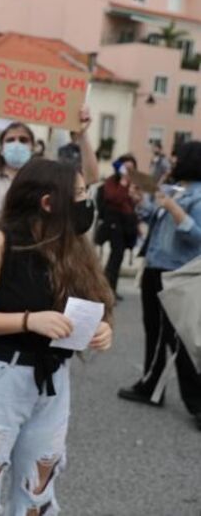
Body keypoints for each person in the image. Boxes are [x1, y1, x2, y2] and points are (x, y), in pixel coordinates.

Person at [0, 158, 114, 514]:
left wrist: (100, 329)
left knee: (38, 489)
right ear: (48, 202)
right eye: (79, 194)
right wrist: (28, 321)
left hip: (52, 383)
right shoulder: (0, 243)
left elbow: (90, 306)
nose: (86, 202)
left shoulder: (72, 246)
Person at [118, 141, 201, 430]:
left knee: (178, 339)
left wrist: (174, 209)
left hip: (176, 271)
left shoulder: (198, 195)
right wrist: (142, 200)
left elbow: (197, 235)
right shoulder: (176, 189)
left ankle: (196, 402)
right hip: (156, 267)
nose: (173, 161)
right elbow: (152, 217)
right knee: (155, 330)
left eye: (178, 157)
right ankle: (151, 385)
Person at [0, 97, 99, 236]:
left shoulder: (45, 178)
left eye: (23, 140)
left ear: (33, 147)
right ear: (1, 148)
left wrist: (82, 135)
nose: (17, 144)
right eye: (10, 140)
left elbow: (90, 177)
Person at [100, 155, 141, 297]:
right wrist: (123, 184)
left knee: (119, 256)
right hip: (114, 222)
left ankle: (113, 288)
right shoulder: (113, 181)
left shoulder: (134, 183)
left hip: (127, 224)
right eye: (126, 168)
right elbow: (113, 198)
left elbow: (136, 204)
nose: (129, 171)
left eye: (132, 169)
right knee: (115, 256)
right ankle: (107, 289)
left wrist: (135, 196)